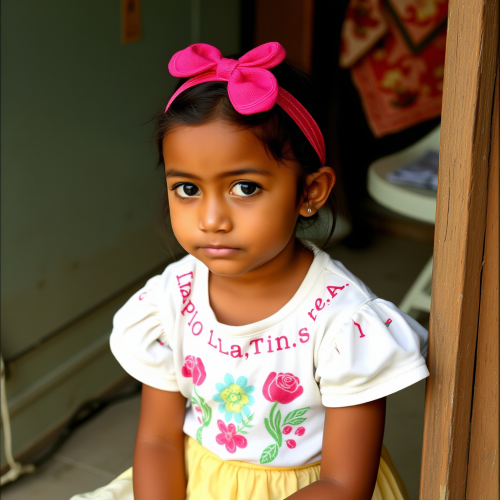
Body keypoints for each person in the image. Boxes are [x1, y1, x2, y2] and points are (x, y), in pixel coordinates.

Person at [71, 42, 428, 500]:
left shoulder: (344, 323)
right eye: (186, 188)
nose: (211, 218)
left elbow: (343, 483)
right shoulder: (169, 301)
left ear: (310, 192)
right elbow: (158, 440)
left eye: (244, 187)